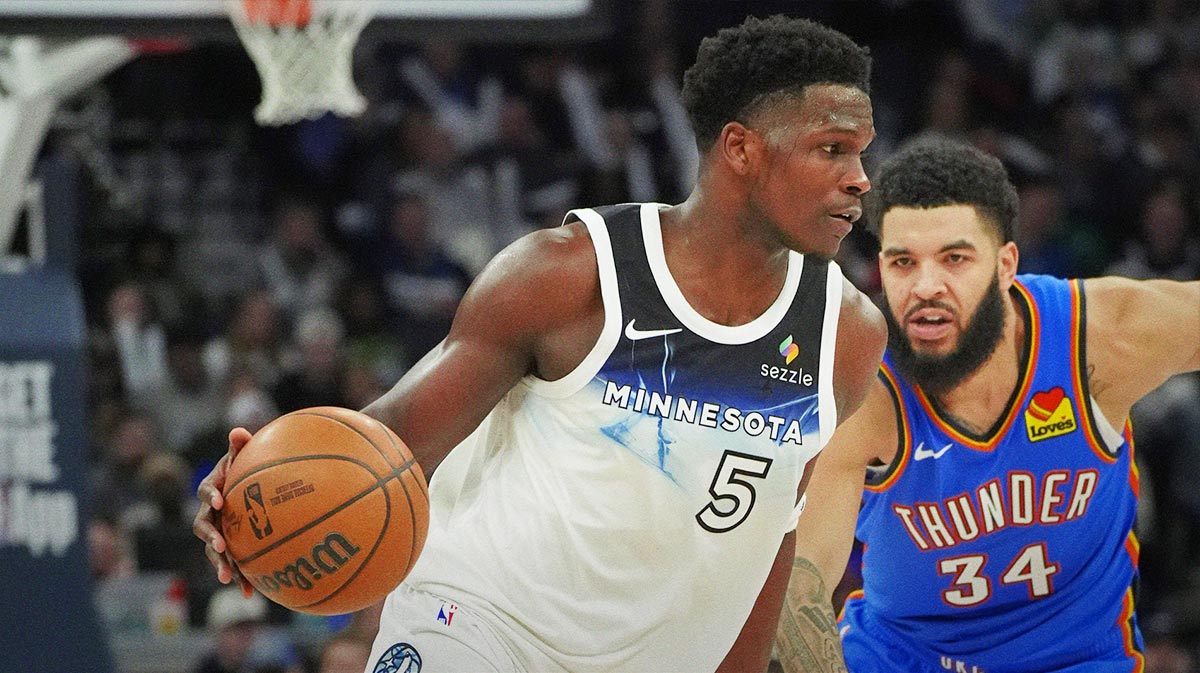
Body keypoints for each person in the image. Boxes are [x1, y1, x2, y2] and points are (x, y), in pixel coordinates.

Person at [196, 15, 886, 672]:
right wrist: (259, 490)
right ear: (741, 149)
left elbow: (766, 538)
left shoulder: (847, 336)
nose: (859, 178)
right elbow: (394, 437)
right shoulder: (569, 273)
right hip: (478, 631)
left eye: (860, 152)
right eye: (832, 150)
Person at [774, 136, 1200, 673]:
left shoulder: (1095, 340)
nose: (926, 286)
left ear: (1005, 265)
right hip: (902, 659)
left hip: (1076, 660)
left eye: (954, 259)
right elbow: (802, 582)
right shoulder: (861, 386)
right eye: (903, 262)